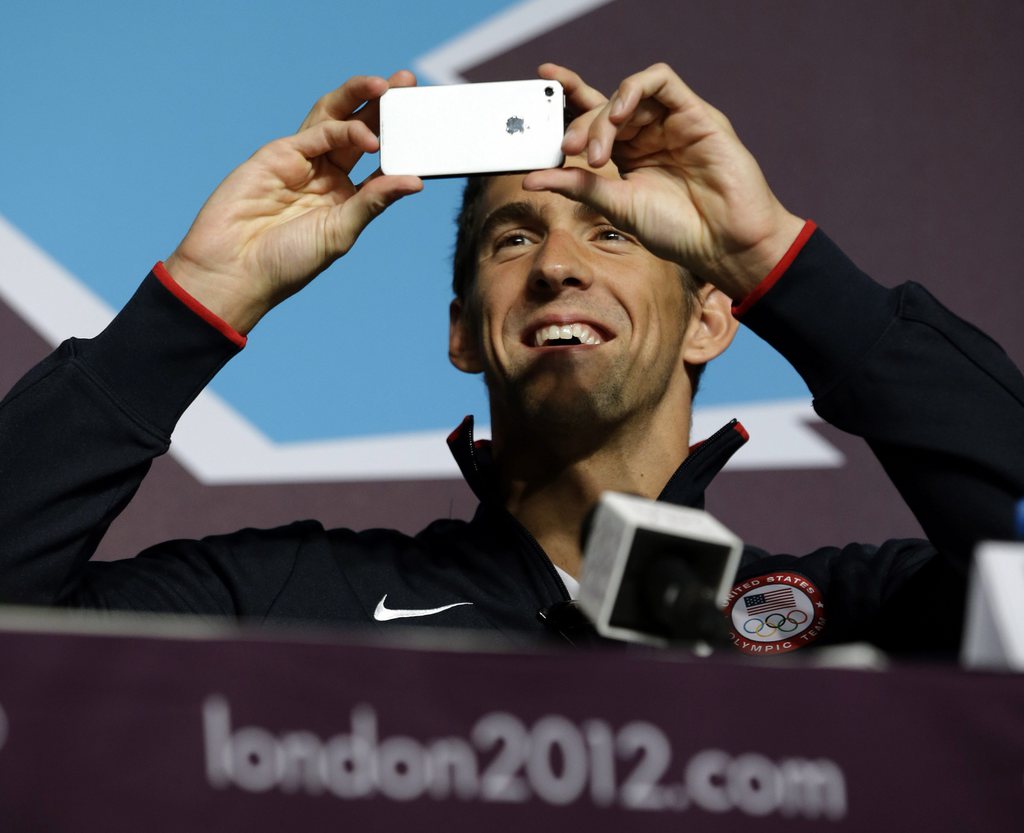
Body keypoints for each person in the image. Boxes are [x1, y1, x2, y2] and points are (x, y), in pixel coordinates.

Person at [0, 63, 1021, 658]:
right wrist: (196, 299)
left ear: (713, 319)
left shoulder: (854, 612)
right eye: (512, 238)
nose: (557, 268)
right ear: (460, 332)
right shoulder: (291, 598)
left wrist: (776, 261)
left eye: (615, 234)